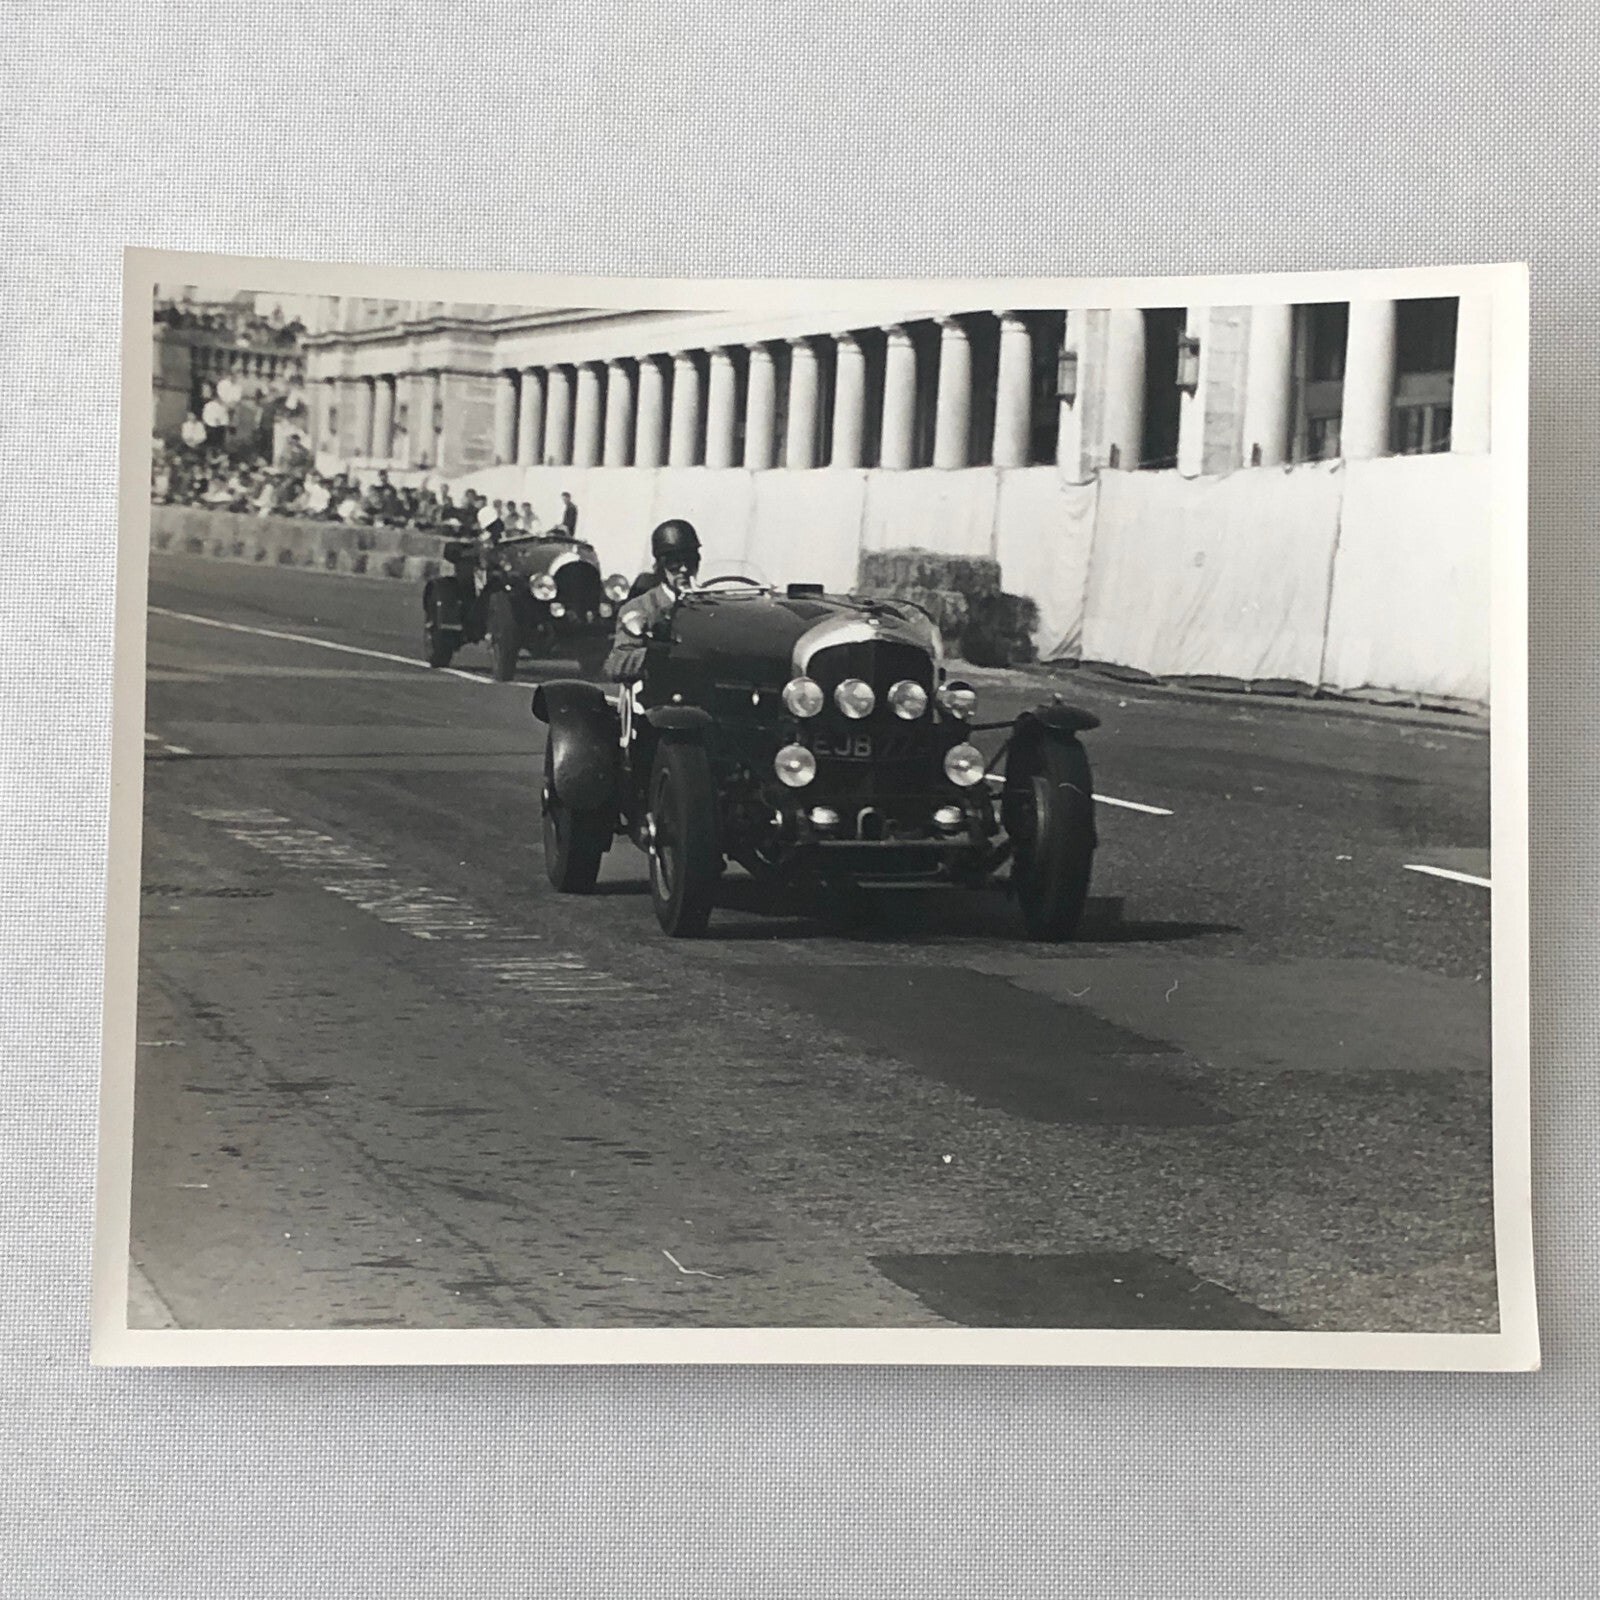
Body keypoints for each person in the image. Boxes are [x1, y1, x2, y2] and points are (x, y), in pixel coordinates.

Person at [604, 519, 700, 682]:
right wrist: (656, 654)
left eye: (690, 560)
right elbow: (616, 664)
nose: (684, 569)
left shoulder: (707, 605)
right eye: (674, 563)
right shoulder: (640, 608)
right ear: (661, 566)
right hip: (657, 699)